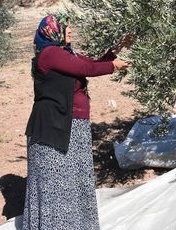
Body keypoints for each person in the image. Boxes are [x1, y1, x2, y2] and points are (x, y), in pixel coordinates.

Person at [22, 14, 131, 230]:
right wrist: (115, 66)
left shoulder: (65, 53)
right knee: (57, 181)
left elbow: (91, 63)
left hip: (73, 125)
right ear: (53, 31)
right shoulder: (50, 54)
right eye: (65, 27)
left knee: (74, 179)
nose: (70, 30)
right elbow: (86, 70)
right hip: (54, 126)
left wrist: (114, 52)